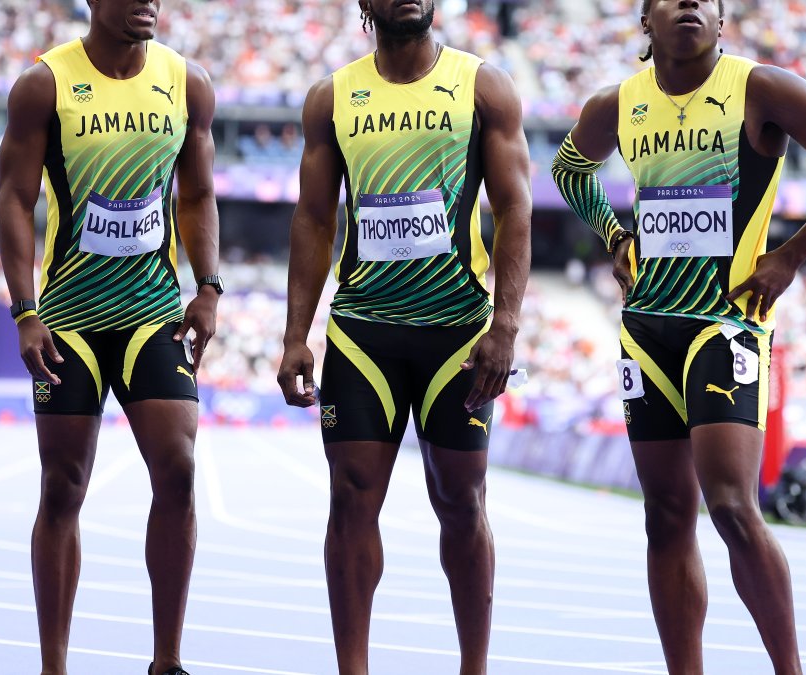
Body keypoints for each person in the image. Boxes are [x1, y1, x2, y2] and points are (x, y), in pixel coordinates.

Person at [551, 1, 806, 673]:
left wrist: (790, 254)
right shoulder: (619, 104)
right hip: (646, 330)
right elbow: (568, 170)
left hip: (725, 323)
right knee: (665, 515)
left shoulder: (760, 89)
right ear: (646, 22)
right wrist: (614, 234)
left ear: (721, 19)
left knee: (732, 508)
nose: (688, 5)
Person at [276, 1, 532, 672]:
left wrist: (505, 324)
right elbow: (312, 219)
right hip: (364, 332)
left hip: (458, 334)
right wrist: (294, 335)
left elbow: (513, 207)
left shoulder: (483, 87)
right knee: (351, 496)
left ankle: (473, 664)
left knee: (461, 499)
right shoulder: (332, 98)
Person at [0, 1, 222, 673]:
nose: (149, 3)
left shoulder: (188, 83)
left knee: (179, 470)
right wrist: (24, 311)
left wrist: (208, 285)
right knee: (63, 485)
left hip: (152, 311)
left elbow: (198, 192)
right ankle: (54, 665)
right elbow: (14, 196)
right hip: (68, 314)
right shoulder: (46, 84)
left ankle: (167, 660)